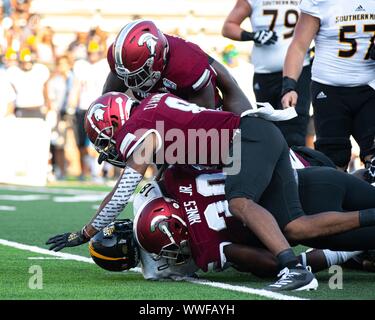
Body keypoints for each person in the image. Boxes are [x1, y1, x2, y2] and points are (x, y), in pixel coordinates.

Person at [46, 91, 375, 292]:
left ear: (117, 123)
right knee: (293, 225)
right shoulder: (153, 103)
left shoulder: (137, 130)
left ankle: (294, 269)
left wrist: (86, 231)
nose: (111, 149)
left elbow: (122, 191)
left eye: (107, 139)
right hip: (253, 136)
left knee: (240, 202)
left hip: (245, 141)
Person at [282, 0, 375, 183]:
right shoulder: (320, 2)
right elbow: (299, 46)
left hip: (370, 87)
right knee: (334, 163)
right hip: (329, 90)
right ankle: (344, 205)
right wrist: (289, 86)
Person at [102, 19, 252, 114]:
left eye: (138, 74)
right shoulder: (121, 60)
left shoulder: (187, 64)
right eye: (128, 76)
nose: (132, 82)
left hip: (195, 109)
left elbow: (205, 119)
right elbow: (107, 101)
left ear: (158, 59)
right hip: (163, 101)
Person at [222, 0, 312, 147]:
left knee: (294, 128)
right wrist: (251, 35)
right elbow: (228, 27)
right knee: (268, 128)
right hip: (265, 73)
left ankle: (296, 168)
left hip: (299, 72)